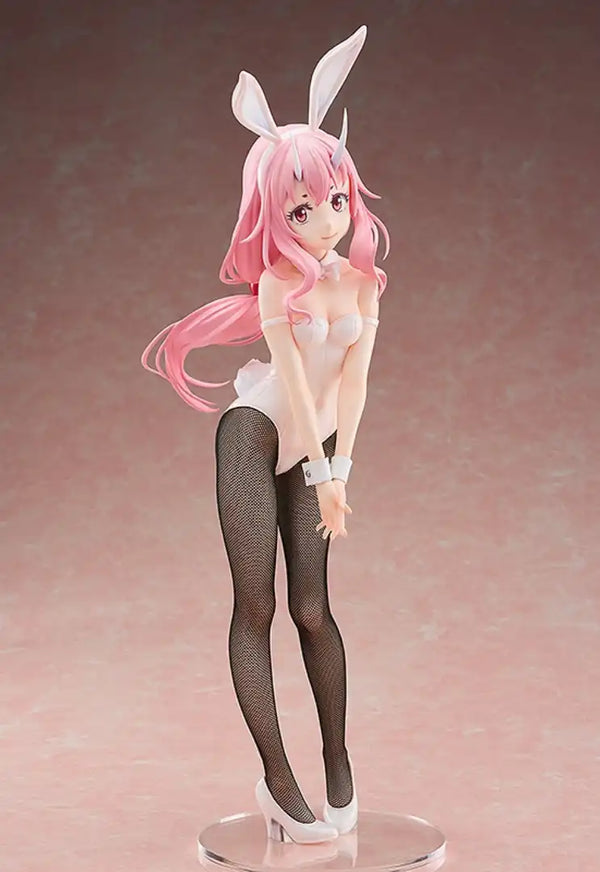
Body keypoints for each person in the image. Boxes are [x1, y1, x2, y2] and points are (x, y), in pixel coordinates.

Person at [142, 25, 389, 845]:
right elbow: (291, 384)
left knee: (313, 608)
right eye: (302, 209)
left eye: (336, 200)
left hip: (319, 440)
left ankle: (338, 761)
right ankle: (278, 780)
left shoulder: (362, 285)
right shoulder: (280, 285)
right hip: (256, 434)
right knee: (257, 605)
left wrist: (340, 471)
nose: (326, 219)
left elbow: (351, 385)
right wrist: (322, 471)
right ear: (275, 216)